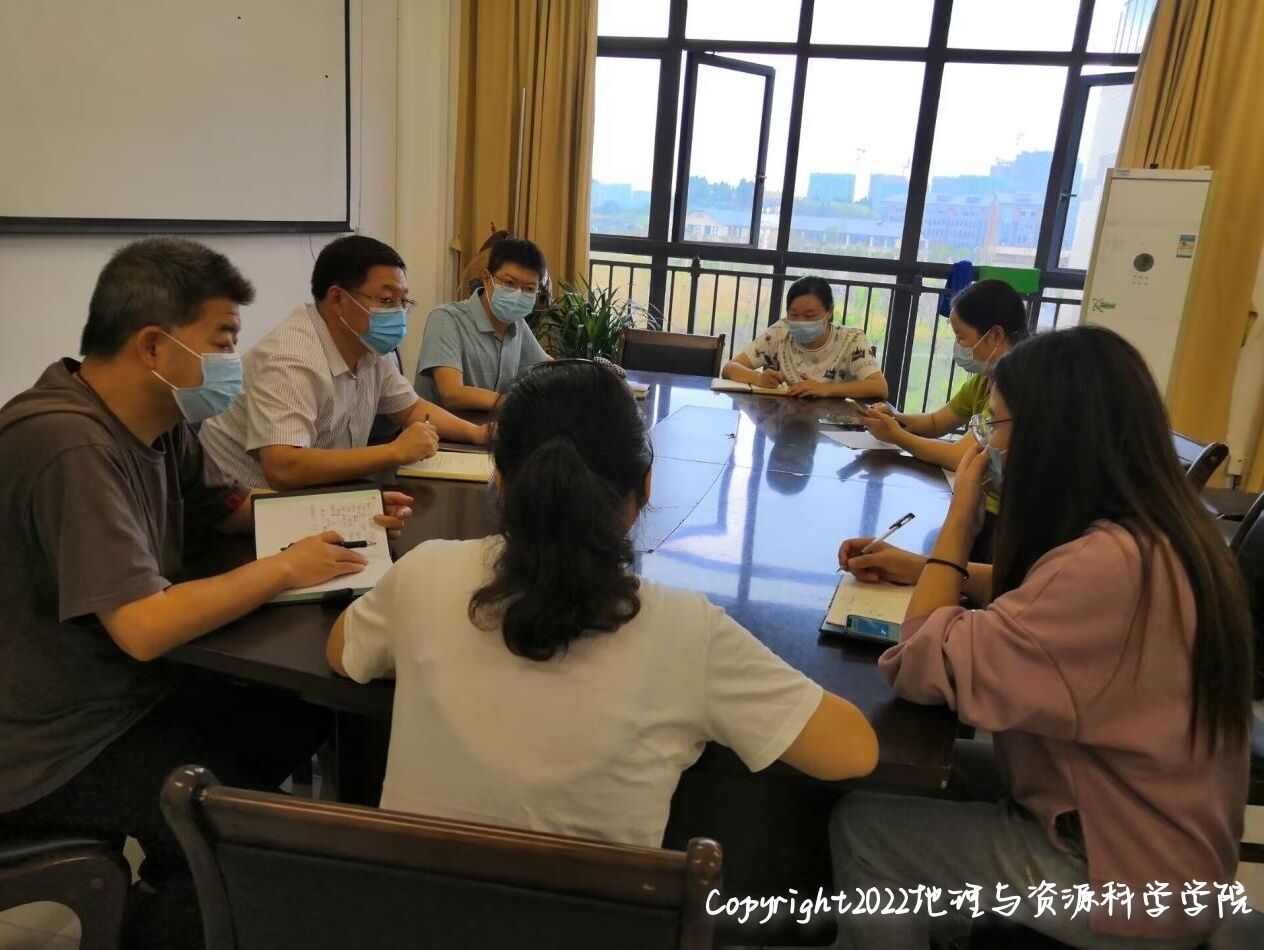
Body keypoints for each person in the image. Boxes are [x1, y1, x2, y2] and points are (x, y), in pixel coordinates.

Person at [0, 238, 415, 949]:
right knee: (243, 837)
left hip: (124, 692)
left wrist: (347, 513)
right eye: (222, 340)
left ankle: (185, 885)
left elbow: (224, 510)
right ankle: (182, 906)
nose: (233, 360)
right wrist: (285, 569)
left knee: (301, 715)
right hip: (51, 742)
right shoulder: (69, 443)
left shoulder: (158, 423)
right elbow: (143, 626)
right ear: (153, 346)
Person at [326, 360, 878, 847]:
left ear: (502, 483)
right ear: (646, 486)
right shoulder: (687, 633)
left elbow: (343, 651)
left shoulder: (424, 573)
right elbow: (854, 751)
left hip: (404, 915)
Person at [831, 326, 1252, 949]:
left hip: (1125, 878)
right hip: (1141, 823)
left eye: (994, 426)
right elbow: (1039, 597)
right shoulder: (1158, 537)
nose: (984, 444)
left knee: (868, 831)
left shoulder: (1105, 569)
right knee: (885, 771)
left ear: (1050, 437)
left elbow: (919, 664)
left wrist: (958, 524)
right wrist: (923, 569)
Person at [200, 234, 486, 491]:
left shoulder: (369, 347)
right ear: (338, 299)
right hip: (245, 511)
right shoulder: (290, 359)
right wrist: (394, 451)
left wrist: (478, 433)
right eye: (387, 300)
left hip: (319, 494)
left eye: (404, 302)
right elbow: (283, 468)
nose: (399, 314)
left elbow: (410, 408)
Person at [855, 279, 1027, 557]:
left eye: (961, 337)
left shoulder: (1015, 389)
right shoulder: (984, 380)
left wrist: (896, 435)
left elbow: (960, 456)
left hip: (1000, 519)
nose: (957, 346)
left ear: (995, 335)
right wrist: (897, 418)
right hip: (978, 502)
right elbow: (937, 422)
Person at [414, 237, 552, 410]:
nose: (518, 294)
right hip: (438, 428)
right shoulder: (446, 319)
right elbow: (452, 394)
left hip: (492, 426)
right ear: (487, 279)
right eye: (509, 283)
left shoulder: (517, 324)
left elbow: (549, 368)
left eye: (529, 289)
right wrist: (517, 403)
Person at [720, 276, 888, 399]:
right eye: (793, 314)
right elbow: (729, 368)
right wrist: (758, 378)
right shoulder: (780, 332)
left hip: (831, 425)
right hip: (783, 421)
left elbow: (879, 387)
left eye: (809, 316)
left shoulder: (852, 339)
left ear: (829, 312)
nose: (800, 322)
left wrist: (825, 389)